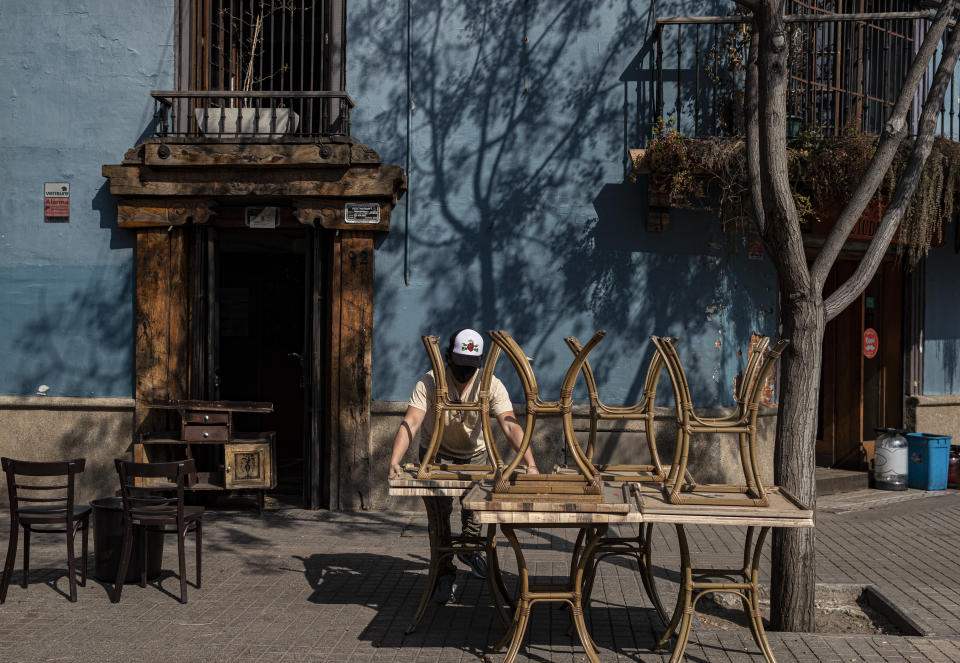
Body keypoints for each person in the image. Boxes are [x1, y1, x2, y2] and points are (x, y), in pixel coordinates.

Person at [388, 328, 538, 604]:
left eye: (471, 367)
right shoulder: (430, 382)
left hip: (476, 455)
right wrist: (395, 459)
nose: (465, 373)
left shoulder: (491, 384)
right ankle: (444, 574)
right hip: (436, 453)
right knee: (439, 517)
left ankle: (470, 550)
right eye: (459, 366)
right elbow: (411, 421)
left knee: (475, 515)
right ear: (447, 356)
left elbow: (509, 423)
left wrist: (530, 464)